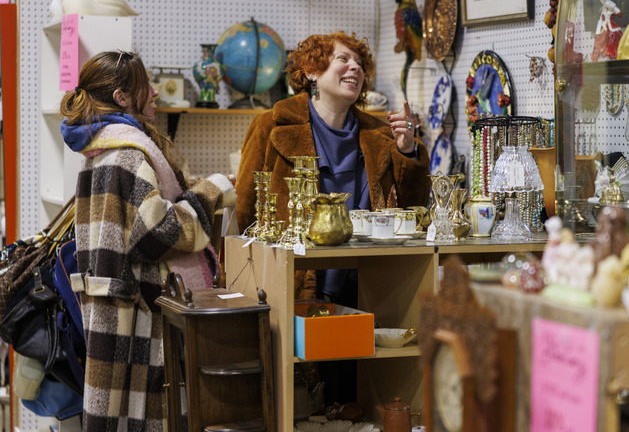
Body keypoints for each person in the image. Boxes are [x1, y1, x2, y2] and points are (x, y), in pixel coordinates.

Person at [60, 51, 236, 431]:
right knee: (153, 416)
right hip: (141, 316)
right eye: (146, 85)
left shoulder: (100, 150)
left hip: (116, 315)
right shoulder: (128, 154)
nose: (155, 92)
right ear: (123, 97)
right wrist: (210, 190)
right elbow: (157, 234)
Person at [235, 31, 431, 302]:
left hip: (367, 285)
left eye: (360, 64)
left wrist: (407, 150)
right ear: (312, 71)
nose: (356, 67)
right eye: (343, 59)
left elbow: (413, 213)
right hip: (289, 283)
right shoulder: (270, 126)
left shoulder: (381, 135)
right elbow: (245, 214)